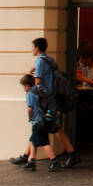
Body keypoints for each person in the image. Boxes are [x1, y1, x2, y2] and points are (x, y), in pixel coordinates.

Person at [32, 38, 80, 167]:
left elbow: (38, 80)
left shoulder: (40, 61)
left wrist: (30, 80)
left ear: (37, 48)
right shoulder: (50, 59)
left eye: (33, 47)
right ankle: (29, 157)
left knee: (52, 127)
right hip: (53, 97)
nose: (32, 49)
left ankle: (69, 154)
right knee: (47, 126)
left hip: (47, 99)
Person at [10, 73, 62, 171]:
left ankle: (54, 161)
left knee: (44, 143)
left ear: (27, 85)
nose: (23, 89)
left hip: (37, 121)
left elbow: (30, 109)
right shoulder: (38, 90)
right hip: (43, 120)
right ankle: (31, 161)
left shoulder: (30, 94)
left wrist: (29, 118)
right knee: (33, 140)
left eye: (24, 86)